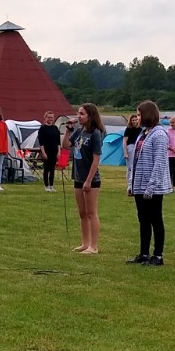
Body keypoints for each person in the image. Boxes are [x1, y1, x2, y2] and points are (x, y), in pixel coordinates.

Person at [125, 100, 173, 265]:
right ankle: (144, 253)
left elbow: (159, 162)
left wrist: (150, 187)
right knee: (143, 219)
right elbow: (136, 160)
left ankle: (158, 255)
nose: (137, 118)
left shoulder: (159, 135)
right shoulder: (143, 134)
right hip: (139, 185)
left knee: (155, 219)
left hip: (152, 187)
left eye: (139, 115)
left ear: (147, 115)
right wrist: (131, 184)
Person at [70, 103, 104, 255]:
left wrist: (89, 180)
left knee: (91, 212)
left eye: (82, 114)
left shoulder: (95, 134)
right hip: (78, 177)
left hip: (90, 179)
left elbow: (96, 159)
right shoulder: (79, 131)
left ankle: (94, 246)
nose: (78, 116)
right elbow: (65, 145)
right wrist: (68, 131)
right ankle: (85, 243)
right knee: (82, 213)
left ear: (90, 116)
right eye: (78, 113)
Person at [38, 110, 61, 192]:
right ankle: (46, 186)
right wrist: (43, 152)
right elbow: (41, 142)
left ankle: (51, 185)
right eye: (49, 117)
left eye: (52, 117)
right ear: (45, 118)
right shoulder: (42, 129)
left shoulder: (55, 128)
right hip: (46, 151)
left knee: (52, 169)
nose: (50, 119)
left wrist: (59, 152)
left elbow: (58, 141)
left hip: (54, 151)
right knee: (46, 169)